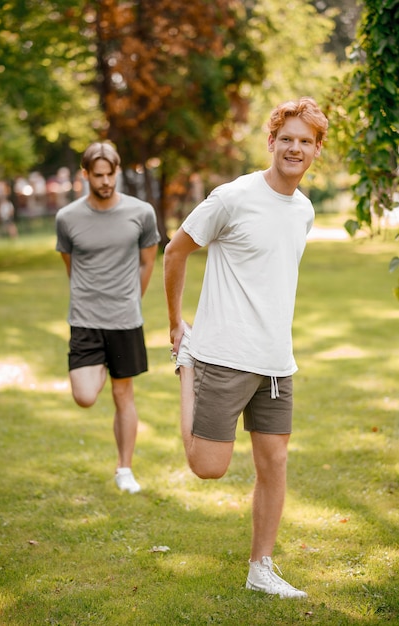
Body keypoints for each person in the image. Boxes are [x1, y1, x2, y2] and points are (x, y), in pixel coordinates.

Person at [164, 97, 328, 597]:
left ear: (317, 150)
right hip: (222, 355)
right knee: (207, 467)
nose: (294, 148)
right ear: (271, 142)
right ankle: (185, 368)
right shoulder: (232, 197)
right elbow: (175, 250)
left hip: (276, 362)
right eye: (287, 138)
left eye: (305, 141)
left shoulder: (303, 210)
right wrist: (176, 323)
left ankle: (261, 567)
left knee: (274, 463)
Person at [56, 142, 160, 494]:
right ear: (85, 175)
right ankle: (96, 364)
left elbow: (148, 261)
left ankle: (124, 469)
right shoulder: (67, 218)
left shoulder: (142, 213)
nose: (104, 181)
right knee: (85, 396)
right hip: (85, 319)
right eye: (97, 175)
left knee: (123, 394)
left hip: (125, 321)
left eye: (110, 174)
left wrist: (133, 298)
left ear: (117, 171)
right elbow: (72, 266)